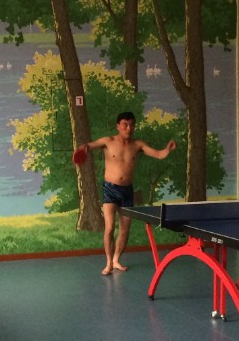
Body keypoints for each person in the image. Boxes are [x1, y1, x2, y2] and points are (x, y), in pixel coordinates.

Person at [75, 111, 176, 275]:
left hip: (127, 191)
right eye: (125, 125)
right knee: (109, 229)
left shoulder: (138, 145)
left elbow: (158, 154)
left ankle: (116, 260)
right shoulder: (108, 141)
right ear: (118, 126)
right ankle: (108, 262)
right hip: (110, 189)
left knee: (124, 230)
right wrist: (83, 148)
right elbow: (90, 145)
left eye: (131, 125)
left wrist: (167, 149)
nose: (128, 128)